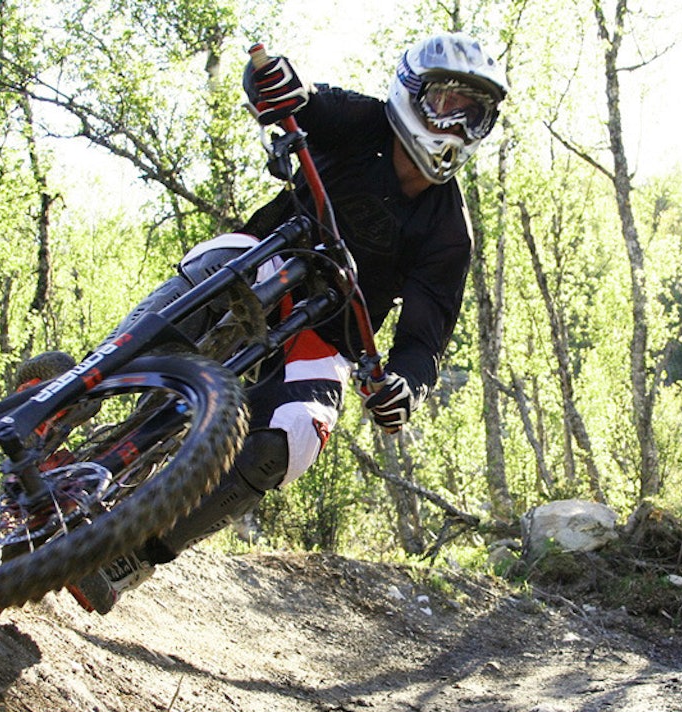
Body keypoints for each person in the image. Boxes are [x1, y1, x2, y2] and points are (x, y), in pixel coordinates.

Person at [52, 33, 508, 613]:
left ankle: (129, 560)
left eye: (477, 115)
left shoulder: (450, 233)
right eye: (447, 103)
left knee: (291, 441)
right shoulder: (361, 119)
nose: (458, 127)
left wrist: (404, 388)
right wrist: (274, 83)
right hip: (264, 256)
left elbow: (422, 342)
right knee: (213, 275)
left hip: (326, 335)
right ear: (411, 94)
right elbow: (296, 101)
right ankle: (72, 394)